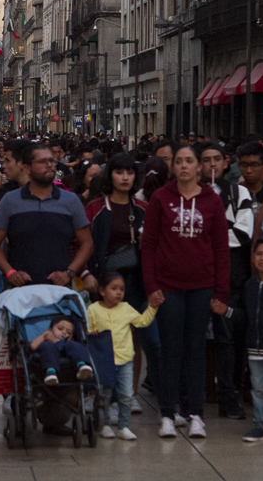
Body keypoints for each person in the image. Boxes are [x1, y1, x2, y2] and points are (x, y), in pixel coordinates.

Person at [141, 143, 230, 439]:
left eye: (189, 161)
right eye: (178, 161)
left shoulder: (212, 200)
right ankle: (168, 413)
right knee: (170, 351)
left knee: (195, 351)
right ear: (173, 166)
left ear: (198, 167)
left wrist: (221, 292)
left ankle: (196, 414)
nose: (184, 166)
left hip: (202, 287)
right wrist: (151, 286)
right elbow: (149, 246)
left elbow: (221, 248)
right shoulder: (160, 198)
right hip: (168, 288)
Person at [84, 153, 159, 413]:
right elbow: (81, 243)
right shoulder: (95, 208)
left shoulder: (143, 209)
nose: (125, 177)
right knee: (108, 338)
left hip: (137, 281)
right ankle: (107, 393)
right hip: (106, 281)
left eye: (130, 172)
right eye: (119, 172)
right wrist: (86, 273)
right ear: (110, 175)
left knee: (140, 338)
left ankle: (130, 393)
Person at [213, 236, 263, 445]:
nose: (262, 258)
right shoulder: (249, 285)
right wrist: (227, 311)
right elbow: (245, 316)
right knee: (258, 390)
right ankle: (259, 425)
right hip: (255, 350)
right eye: (258, 254)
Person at [0, 143, 94, 288]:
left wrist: (69, 272)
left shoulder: (70, 201)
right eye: (42, 162)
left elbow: (87, 242)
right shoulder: (10, 200)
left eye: (51, 161)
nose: (49, 165)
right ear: (27, 168)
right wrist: (10, 272)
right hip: (21, 291)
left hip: (59, 291)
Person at [199, 142, 254, 420]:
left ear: (225, 162)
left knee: (227, 338)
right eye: (206, 159)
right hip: (196, 274)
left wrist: (203, 239)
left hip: (230, 275)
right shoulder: (191, 193)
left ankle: (228, 397)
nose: (212, 165)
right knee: (192, 337)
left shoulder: (238, 192)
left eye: (217, 159)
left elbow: (242, 234)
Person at [88, 273, 158, 440]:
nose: (119, 292)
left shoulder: (126, 308)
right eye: (114, 288)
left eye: (122, 289)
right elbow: (89, 332)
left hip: (125, 360)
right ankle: (105, 424)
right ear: (102, 291)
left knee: (127, 395)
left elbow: (142, 321)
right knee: (105, 394)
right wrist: (91, 332)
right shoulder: (93, 309)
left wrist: (152, 307)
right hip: (105, 360)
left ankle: (123, 426)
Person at [30, 315, 93, 385]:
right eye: (60, 329)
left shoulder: (68, 343)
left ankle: (82, 366)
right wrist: (43, 336)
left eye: (69, 333)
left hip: (64, 353)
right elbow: (33, 346)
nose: (64, 332)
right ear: (50, 330)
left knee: (75, 345)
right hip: (49, 354)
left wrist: (69, 340)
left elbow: (74, 347)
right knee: (48, 345)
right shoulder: (46, 338)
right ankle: (51, 372)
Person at [237, 141, 263, 216]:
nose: (249, 170)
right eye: (244, 165)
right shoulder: (233, 194)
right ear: (239, 166)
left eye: (254, 165)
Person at [0, 139, 29, 210]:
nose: (4, 166)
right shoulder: (4, 192)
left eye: (8, 161)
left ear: (21, 163)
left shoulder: (43, 193)